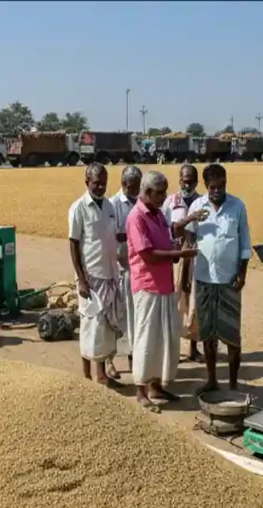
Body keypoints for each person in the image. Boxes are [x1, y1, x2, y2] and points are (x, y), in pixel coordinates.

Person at [126, 170, 196, 412]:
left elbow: (167, 238)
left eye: (165, 192)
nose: (163, 197)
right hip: (147, 286)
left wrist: (178, 246)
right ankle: (141, 390)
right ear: (145, 192)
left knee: (164, 338)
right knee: (146, 339)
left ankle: (156, 385)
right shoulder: (137, 217)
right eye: (159, 193)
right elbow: (147, 254)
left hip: (165, 285)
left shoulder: (157, 215)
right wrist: (180, 254)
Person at [186, 163, 251, 393]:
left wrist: (242, 274)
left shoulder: (237, 206)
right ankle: (212, 380)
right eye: (213, 187)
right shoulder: (196, 206)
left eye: (221, 185)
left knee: (232, 337)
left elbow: (245, 244)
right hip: (204, 280)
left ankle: (233, 385)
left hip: (229, 281)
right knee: (208, 335)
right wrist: (186, 275)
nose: (217, 190)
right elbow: (188, 240)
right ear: (205, 186)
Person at [69, 163, 124, 388]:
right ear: (87, 182)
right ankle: (87, 376)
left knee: (105, 328)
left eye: (103, 182)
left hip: (110, 275)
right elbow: (73, 244)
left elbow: (112, 237)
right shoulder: (78, 208)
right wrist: (81, 279)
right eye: (96, 183)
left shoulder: (110, 206)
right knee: (90, 325)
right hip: (90, 278)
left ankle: (103, 373)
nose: (100, 187)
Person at [161, 164, 203, 362]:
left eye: (191, 180)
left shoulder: (203, 202)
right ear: (179, 180)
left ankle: (193, 347)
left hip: (196, 259)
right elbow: (165, 228)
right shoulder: (170, 202)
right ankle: (173, 348)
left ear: (197, 182)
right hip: (176, 259)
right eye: (184, 180)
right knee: (175, 304)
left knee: (194, 303)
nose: (187, 184)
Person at [106, 165, 141, 380]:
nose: (135, 191)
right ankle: (109, 361)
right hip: (118, 269)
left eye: (138, 187)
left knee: (134, 317)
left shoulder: (141, 202)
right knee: (114, 317)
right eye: (131, 187)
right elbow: (111, 236)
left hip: (137, 271)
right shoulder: (113, 205)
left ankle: (133, 358)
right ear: (123, 184)